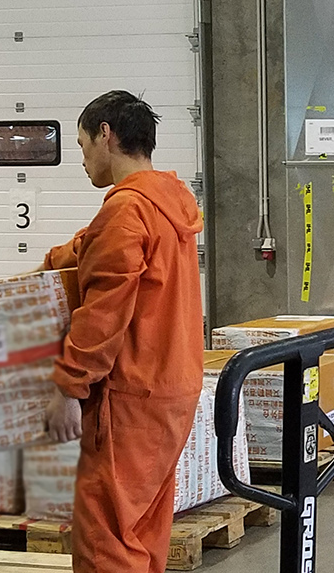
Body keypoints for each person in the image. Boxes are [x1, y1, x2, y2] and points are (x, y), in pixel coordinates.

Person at [40, 91, 206, 572]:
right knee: (143, 529)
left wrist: (68, 387)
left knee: (107, 541)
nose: (82, 160)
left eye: (81, 145)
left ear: (105, 135)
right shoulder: (169, 202)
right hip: (171, 391)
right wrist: (56, 261)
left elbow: (104, 311)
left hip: (129, 397)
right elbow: (102, 250)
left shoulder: (126, 210)